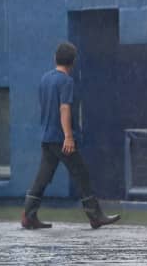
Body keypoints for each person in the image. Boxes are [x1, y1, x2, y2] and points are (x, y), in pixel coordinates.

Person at [21, 42, 120, 230]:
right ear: (73, 61)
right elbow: (64, 107)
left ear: (55, 58)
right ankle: (95, 215)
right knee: (81, 173)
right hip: (61, 138)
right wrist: (68, 136)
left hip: (46, 136)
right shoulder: (66, 81)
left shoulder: (45, 79)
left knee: (43, 176)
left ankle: (28, 215)